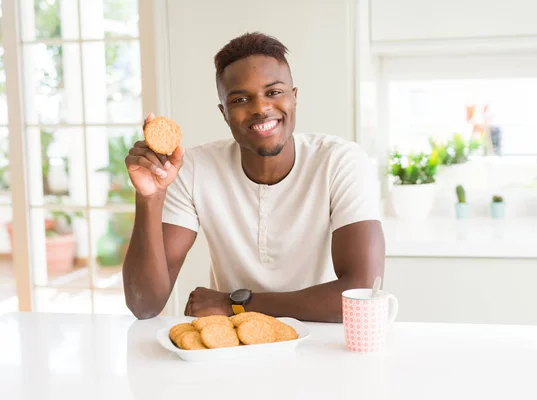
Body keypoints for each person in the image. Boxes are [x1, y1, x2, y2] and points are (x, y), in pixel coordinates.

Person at [123, 32, 384, 323]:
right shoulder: (194, 168)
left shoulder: (340, 161)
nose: (260, 108)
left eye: (274, 92)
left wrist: (237, 305)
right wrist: (149, 197)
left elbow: (362, 294)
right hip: (234, 349)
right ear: (224, 113)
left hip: (321, 344)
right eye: (241, 99)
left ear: (294, 98)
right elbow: (143, 304)